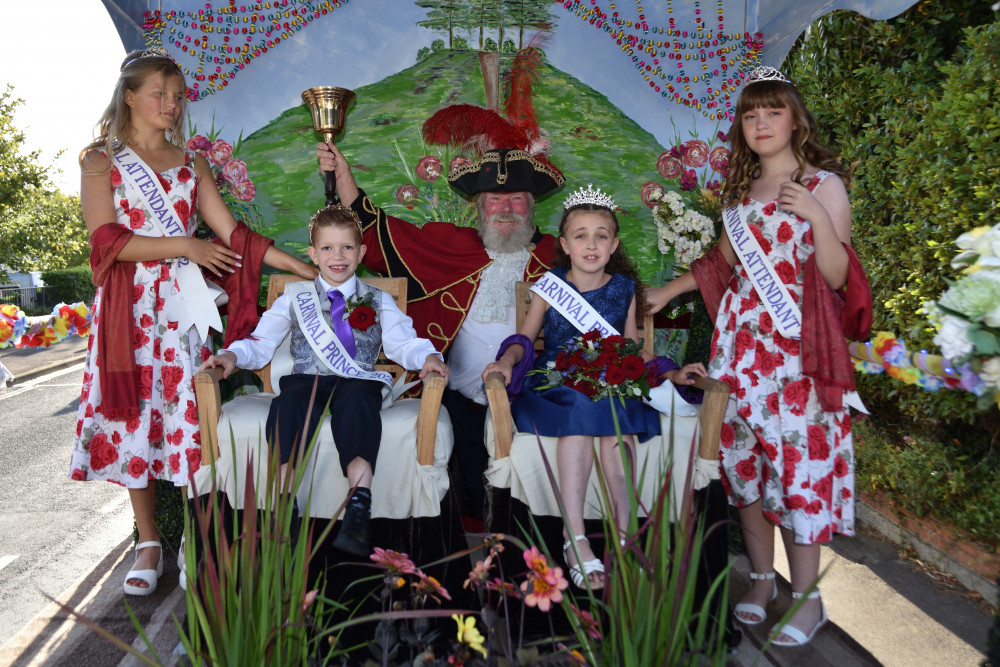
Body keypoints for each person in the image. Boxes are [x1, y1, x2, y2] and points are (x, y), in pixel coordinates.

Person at [69, 47, 316, 596]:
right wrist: (184, 243)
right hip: (128, 311)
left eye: (178, 95)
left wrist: (298, 264)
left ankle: (191, 536)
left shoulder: (192, 163)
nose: (171, 104)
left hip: (182, 311)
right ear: (129, 96)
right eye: (159, 93)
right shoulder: (100, 161)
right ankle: (149, 538)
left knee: (187, 415)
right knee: (134, 419)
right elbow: (106, 240)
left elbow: (231, 235)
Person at [647, 66, 871, 646]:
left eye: (772, 111)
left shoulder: (825, 186)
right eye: (750, 114)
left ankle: (808, 598)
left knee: (799, 470)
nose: (761, 122)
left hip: (797, 357)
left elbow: (838, 275)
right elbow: (720, 265)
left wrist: (818, 218)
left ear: (796, 119)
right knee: (743, 466)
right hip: (739, 355)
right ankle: (763, 580)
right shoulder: (742, 196)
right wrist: (666, 294)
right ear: (741, 127)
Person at [317, 142, 562, 524]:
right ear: (478, 207)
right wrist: (344, 176)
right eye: (496, 200)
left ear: (532, 207)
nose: (507, 209)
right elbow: (381, 236)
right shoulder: (450, 246)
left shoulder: (557, 254)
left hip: (529, 398)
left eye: (517, 198)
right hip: (458, 399)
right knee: (461, 503)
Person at [482, 186, 706, 589]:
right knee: (581, 411)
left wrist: (671, 374)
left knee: (614, 428)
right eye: (580, 235)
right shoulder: (548, 286)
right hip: (558, 381)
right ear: (565, 244)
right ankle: (575, 537)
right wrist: (506, 361)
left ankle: (624, 536)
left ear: (614, 244)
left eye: (601, 235)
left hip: (610, 378)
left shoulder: (624, 290)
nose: (591, 244)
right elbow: (524, 339)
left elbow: (633, 352)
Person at [199, 205, 449, 556]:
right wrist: (233, 356)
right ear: (313, 254)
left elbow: (402, 341)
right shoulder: (294, 298)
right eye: (328, 248)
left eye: (347, 247)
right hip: (307, 378)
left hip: (357, 379)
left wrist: (427, 356)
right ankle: (285, 507)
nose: (338, 256)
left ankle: (359, 506)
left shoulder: (378, 300)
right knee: (290, 406)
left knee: (359, 403)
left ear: (361, 253)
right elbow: (262, 341)